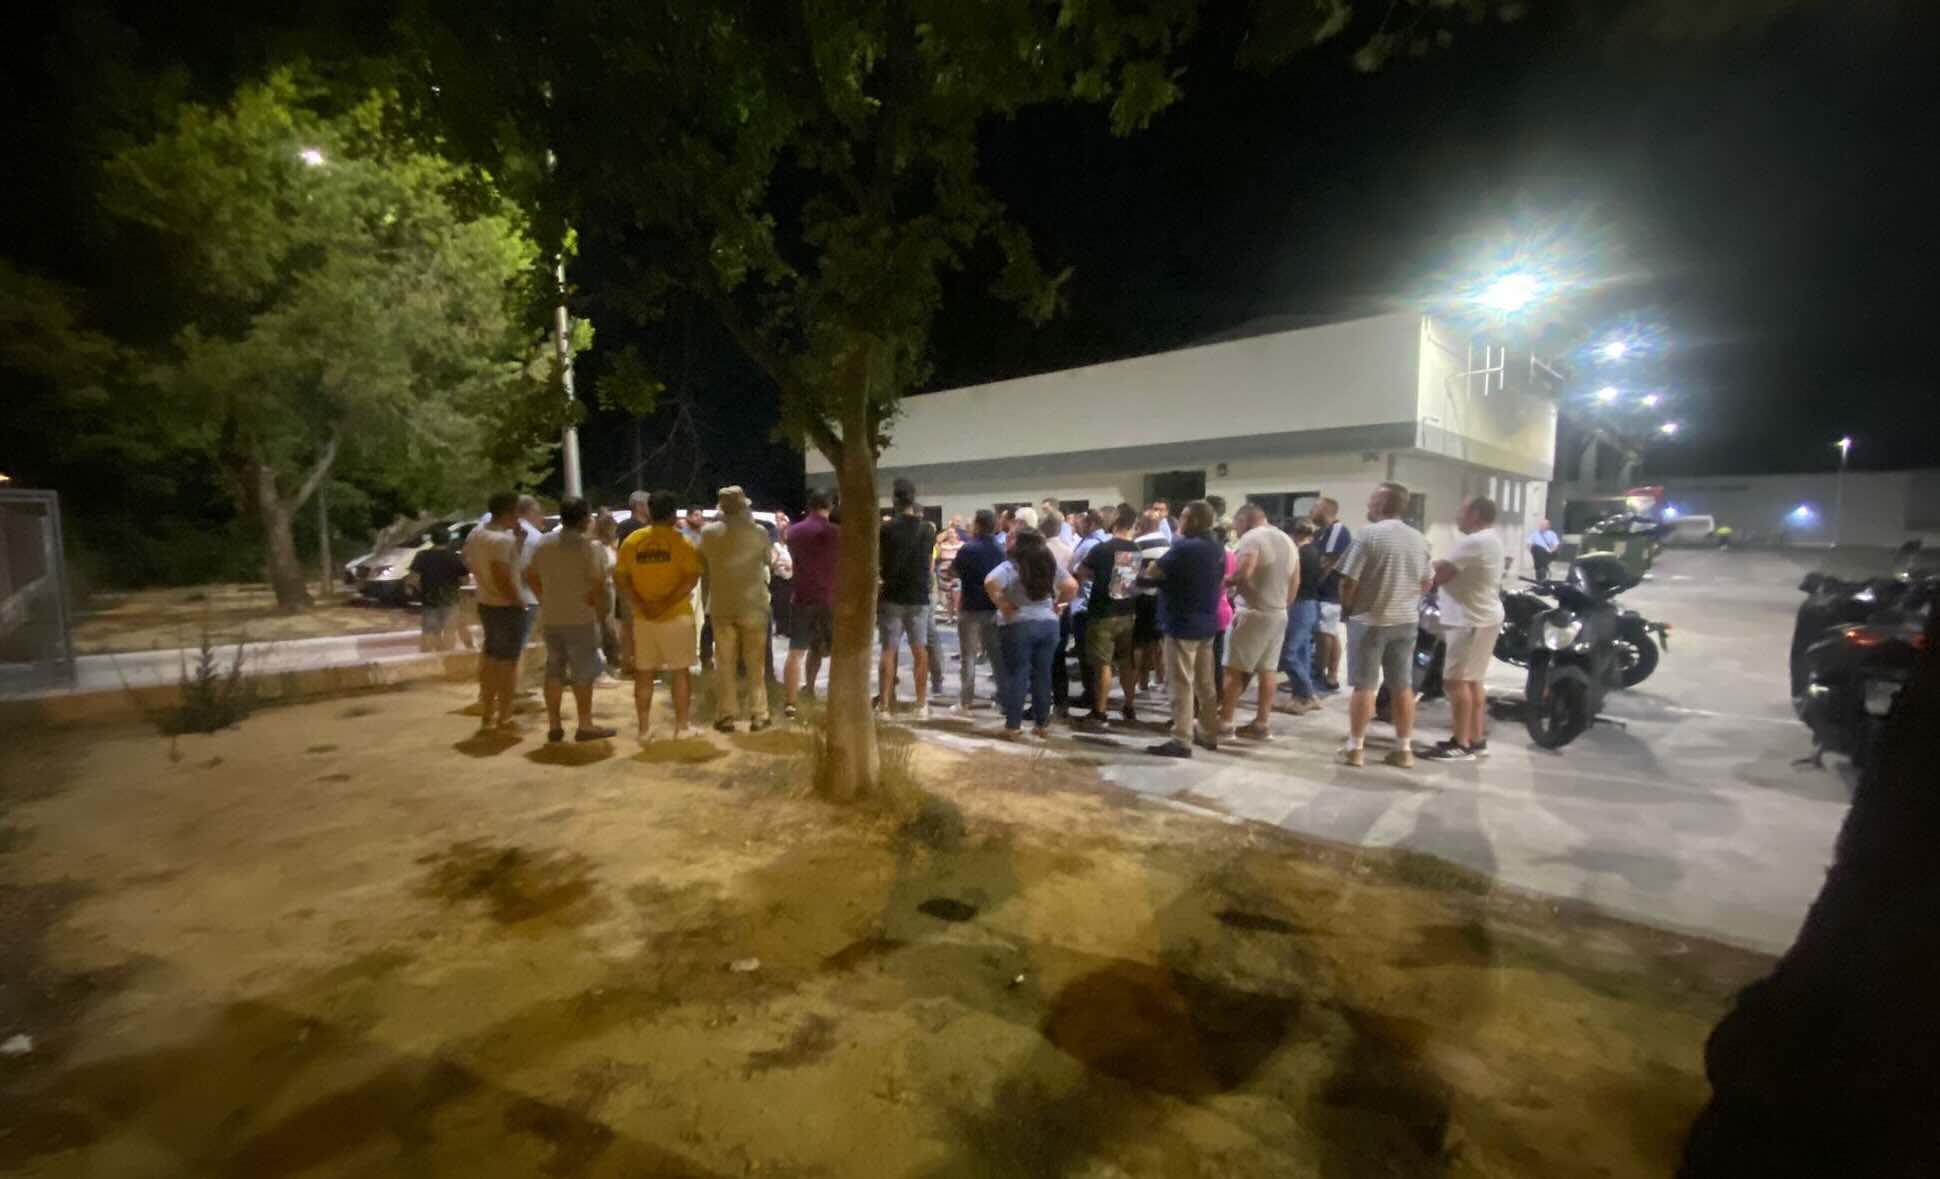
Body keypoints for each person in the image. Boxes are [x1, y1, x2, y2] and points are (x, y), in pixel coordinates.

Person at [1336, 482, 1432, 768]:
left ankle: (1355, 747)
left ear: (1380, 504)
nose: (1368, 505)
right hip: (1405, 621)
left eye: (1371, 500)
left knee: (1364, 686)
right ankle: (1403, 749)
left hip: (1370, 620)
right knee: (1402, 686)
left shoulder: (1368, 535)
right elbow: (1426, 582)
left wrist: (1349, 608)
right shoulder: (1419, 539)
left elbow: (1348, 580)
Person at [524, 498, 618, 743]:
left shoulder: (544, 543)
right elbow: (598, 583)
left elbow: (530, 574)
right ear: (585, 519)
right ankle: (585, 724)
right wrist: (598, 607)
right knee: (583, 672)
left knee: (554, 670)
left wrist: (544, 598)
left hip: (552, 616)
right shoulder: (588, 547)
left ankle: (554, 724)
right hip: (580, 617)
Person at [615, 490, 704, 742]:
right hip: (676, 617)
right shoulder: (682, 543)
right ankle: (682, 727)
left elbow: (621, 578)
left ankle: (644, 729)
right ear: (674, 514)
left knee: (644, 673)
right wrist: (664, 603)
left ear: (650, 511)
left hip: (643, 618)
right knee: (680, 672)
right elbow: (690, 579)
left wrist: (641, 603)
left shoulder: (633, 541)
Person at [1424, 497, 1505, 761]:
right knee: (1472, 681)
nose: (1457, 516)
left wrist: (1431, 569)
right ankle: (1475, 738)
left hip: (1469, 619)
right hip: (1483, 616)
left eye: (1461, 511)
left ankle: (1460, 743)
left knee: (1455, 681)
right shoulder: (1491, 539)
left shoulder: (1474, 542)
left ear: (1475, 514)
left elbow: (1441, 575)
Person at [1141, 501, 1224, 758]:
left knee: (1181, 684)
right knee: (1205, 683)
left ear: (1195, 521)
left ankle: (1181, 739)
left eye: (1184, 517)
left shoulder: (1184, 547)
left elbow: (1155, 570)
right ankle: (1208, 732)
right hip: (1206, 622)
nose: (1180, 521)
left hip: (1181, 623)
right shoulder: (1216, 547)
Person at [984, 527, 1077, 741]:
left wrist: (1002, 603)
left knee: (1017, 674)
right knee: (1042, 675)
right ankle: (1041, 725)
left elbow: (990, 582)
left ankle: (1013, 726)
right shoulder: (1049, 565)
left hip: (1018, 624)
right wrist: (1059, 606)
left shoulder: (1012, 566)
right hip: (1049, 625)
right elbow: (1072, 586)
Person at [698, 486, 776, 733]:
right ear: (744, 507)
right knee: (755, 664)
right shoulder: (759, 532)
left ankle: (726, 715)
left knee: (725, 663)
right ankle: (759, 714)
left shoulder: (708, 533)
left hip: (722, 605)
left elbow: (702, 563)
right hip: (753, 605)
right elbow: (768, 560)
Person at [1219, 504, 1297, 741]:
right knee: (1268, 670)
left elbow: (1244, 573)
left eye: (1237, 524)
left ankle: (1225, 724)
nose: (1236, 530)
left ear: (1244, 520)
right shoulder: (1287, 540)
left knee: (1234, 670)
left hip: (1253, 613)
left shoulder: (1252, 538)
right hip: (1278, 613)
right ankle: (1262, 723)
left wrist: (1222, 580)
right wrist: (1283, 605)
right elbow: (1296, 579)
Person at [462, 492, 527, 732]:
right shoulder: (501, 540)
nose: (519, 517)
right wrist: (518, 602)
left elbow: (470, 560)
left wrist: (519, 542)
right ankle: (505, 716)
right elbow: (502, 575)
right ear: (509, 512)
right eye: (517, 511)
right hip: (505, 607)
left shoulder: (477, 533)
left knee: (490, 659)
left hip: (486, 603)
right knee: (507, 665)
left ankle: (488, 713)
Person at [1074, 503, 1143, 730]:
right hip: (1128, 611)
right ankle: (1129, 706)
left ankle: (1100, 712)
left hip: (1103, 613)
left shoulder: (1102, 549)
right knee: (1126, 663)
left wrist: (1098, 575)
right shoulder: (1135, 548)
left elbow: (1081, 572)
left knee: (1102, 664)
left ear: (1116, 520)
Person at [878, 478, 937, 719]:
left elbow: (881, 559)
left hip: (892, 593)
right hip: (919, 594)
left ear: (895, 500)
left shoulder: (886, 529)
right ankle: (921, 704)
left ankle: (884, 705)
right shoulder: (928, 530)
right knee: (919, 650)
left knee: (888, 650)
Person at [782, 489, 838, 718]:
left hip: (801, 595)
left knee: (796, 651)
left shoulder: (794, 532)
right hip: (830, 597)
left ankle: (791, 702)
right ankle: (837, 697)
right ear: (830, 506)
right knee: (836, 651)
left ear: (809, 505)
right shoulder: (836, 533)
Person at [949, 509, 1007, 715]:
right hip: (993, 608)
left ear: (979, 525)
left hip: (970, 607)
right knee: (997, 657)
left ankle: (966, 702)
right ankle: (1004, 700)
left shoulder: (968, 548)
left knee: (969, 657)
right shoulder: (1000, 549)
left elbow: (953, 571)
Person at [1278, 517, 1324, 713]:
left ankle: (1308, 694)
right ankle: (1300, 697)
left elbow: (1291, 580)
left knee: (1288, 654)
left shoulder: (1299, 554)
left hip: (1299, 606)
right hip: (1311, 605)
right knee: (1302, 653)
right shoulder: (1314, 551)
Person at [1310, 496, 1353, 693]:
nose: (1310, 511)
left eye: (1314, 507)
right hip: (1321, 594)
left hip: (1329, 593)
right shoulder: (1320, 533)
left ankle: (1319, 675)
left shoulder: (1337, 530)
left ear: (1326, 510)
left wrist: (1314, 584)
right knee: (1330, 633)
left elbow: (1330, 561)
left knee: (1324, 634)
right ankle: (1331, 677)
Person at [1039, 507, 1077, 717]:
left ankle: (1041, 704)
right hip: (1063, 605)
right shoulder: (1068, 549)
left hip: (1044, 605)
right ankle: (1062, 703)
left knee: (1041, 659)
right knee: (1059, 657)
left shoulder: (1040, 551)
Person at [406, 525, 468, 653]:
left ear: (432, 540)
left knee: (429, 632)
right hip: (451, 600)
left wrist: (420, 589)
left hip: (429, 599)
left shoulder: (422, 556)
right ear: (449, 540)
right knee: (449, 631)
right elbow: (465, 580)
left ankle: (426, 659)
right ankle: (447, 658)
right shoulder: (454, 557)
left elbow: (413, 579)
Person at [613, 491, 652, 673]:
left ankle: (628, 663)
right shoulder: (634, 528)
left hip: (628, 581)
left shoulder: (624, 526)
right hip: (634, 582)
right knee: (636, 625)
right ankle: (638, 664)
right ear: (639, 506)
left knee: (628, 625)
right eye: (648, 504)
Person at [1132, 509, 1171, 691]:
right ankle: (1160, 678)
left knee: (1139, 642)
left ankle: (1140, 682)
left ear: (1143, 524)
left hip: (1142, 597)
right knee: (1158, 641)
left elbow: (1123, 579)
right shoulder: (1168, 543)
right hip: (1162, 597)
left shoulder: (1137, 544)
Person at [937, 517, 966, 623]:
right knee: (948, 596)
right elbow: (938, 556)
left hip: (957, 573)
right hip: (945, 573)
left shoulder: (962, 544)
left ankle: (958, 616)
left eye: (952, 533)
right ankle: (949, 617)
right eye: (949, 533)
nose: (950, 535)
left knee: (957, 595)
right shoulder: (943, 545)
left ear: (956, 534)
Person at [1528, 516, 1560, 580]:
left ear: (1548, 526)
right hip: (1537, 552)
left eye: (1544, 525)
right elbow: (1529, 543)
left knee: (1539, 566)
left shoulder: (1552, 534)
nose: (1542, 526)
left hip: (1547, 553)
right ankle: (1542, 575)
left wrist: (1551, 550)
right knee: (1537, 548)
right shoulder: (1534, 533)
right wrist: (1531, 550)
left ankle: (1541, 577)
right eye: (1541, 524)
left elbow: (1556, 545)